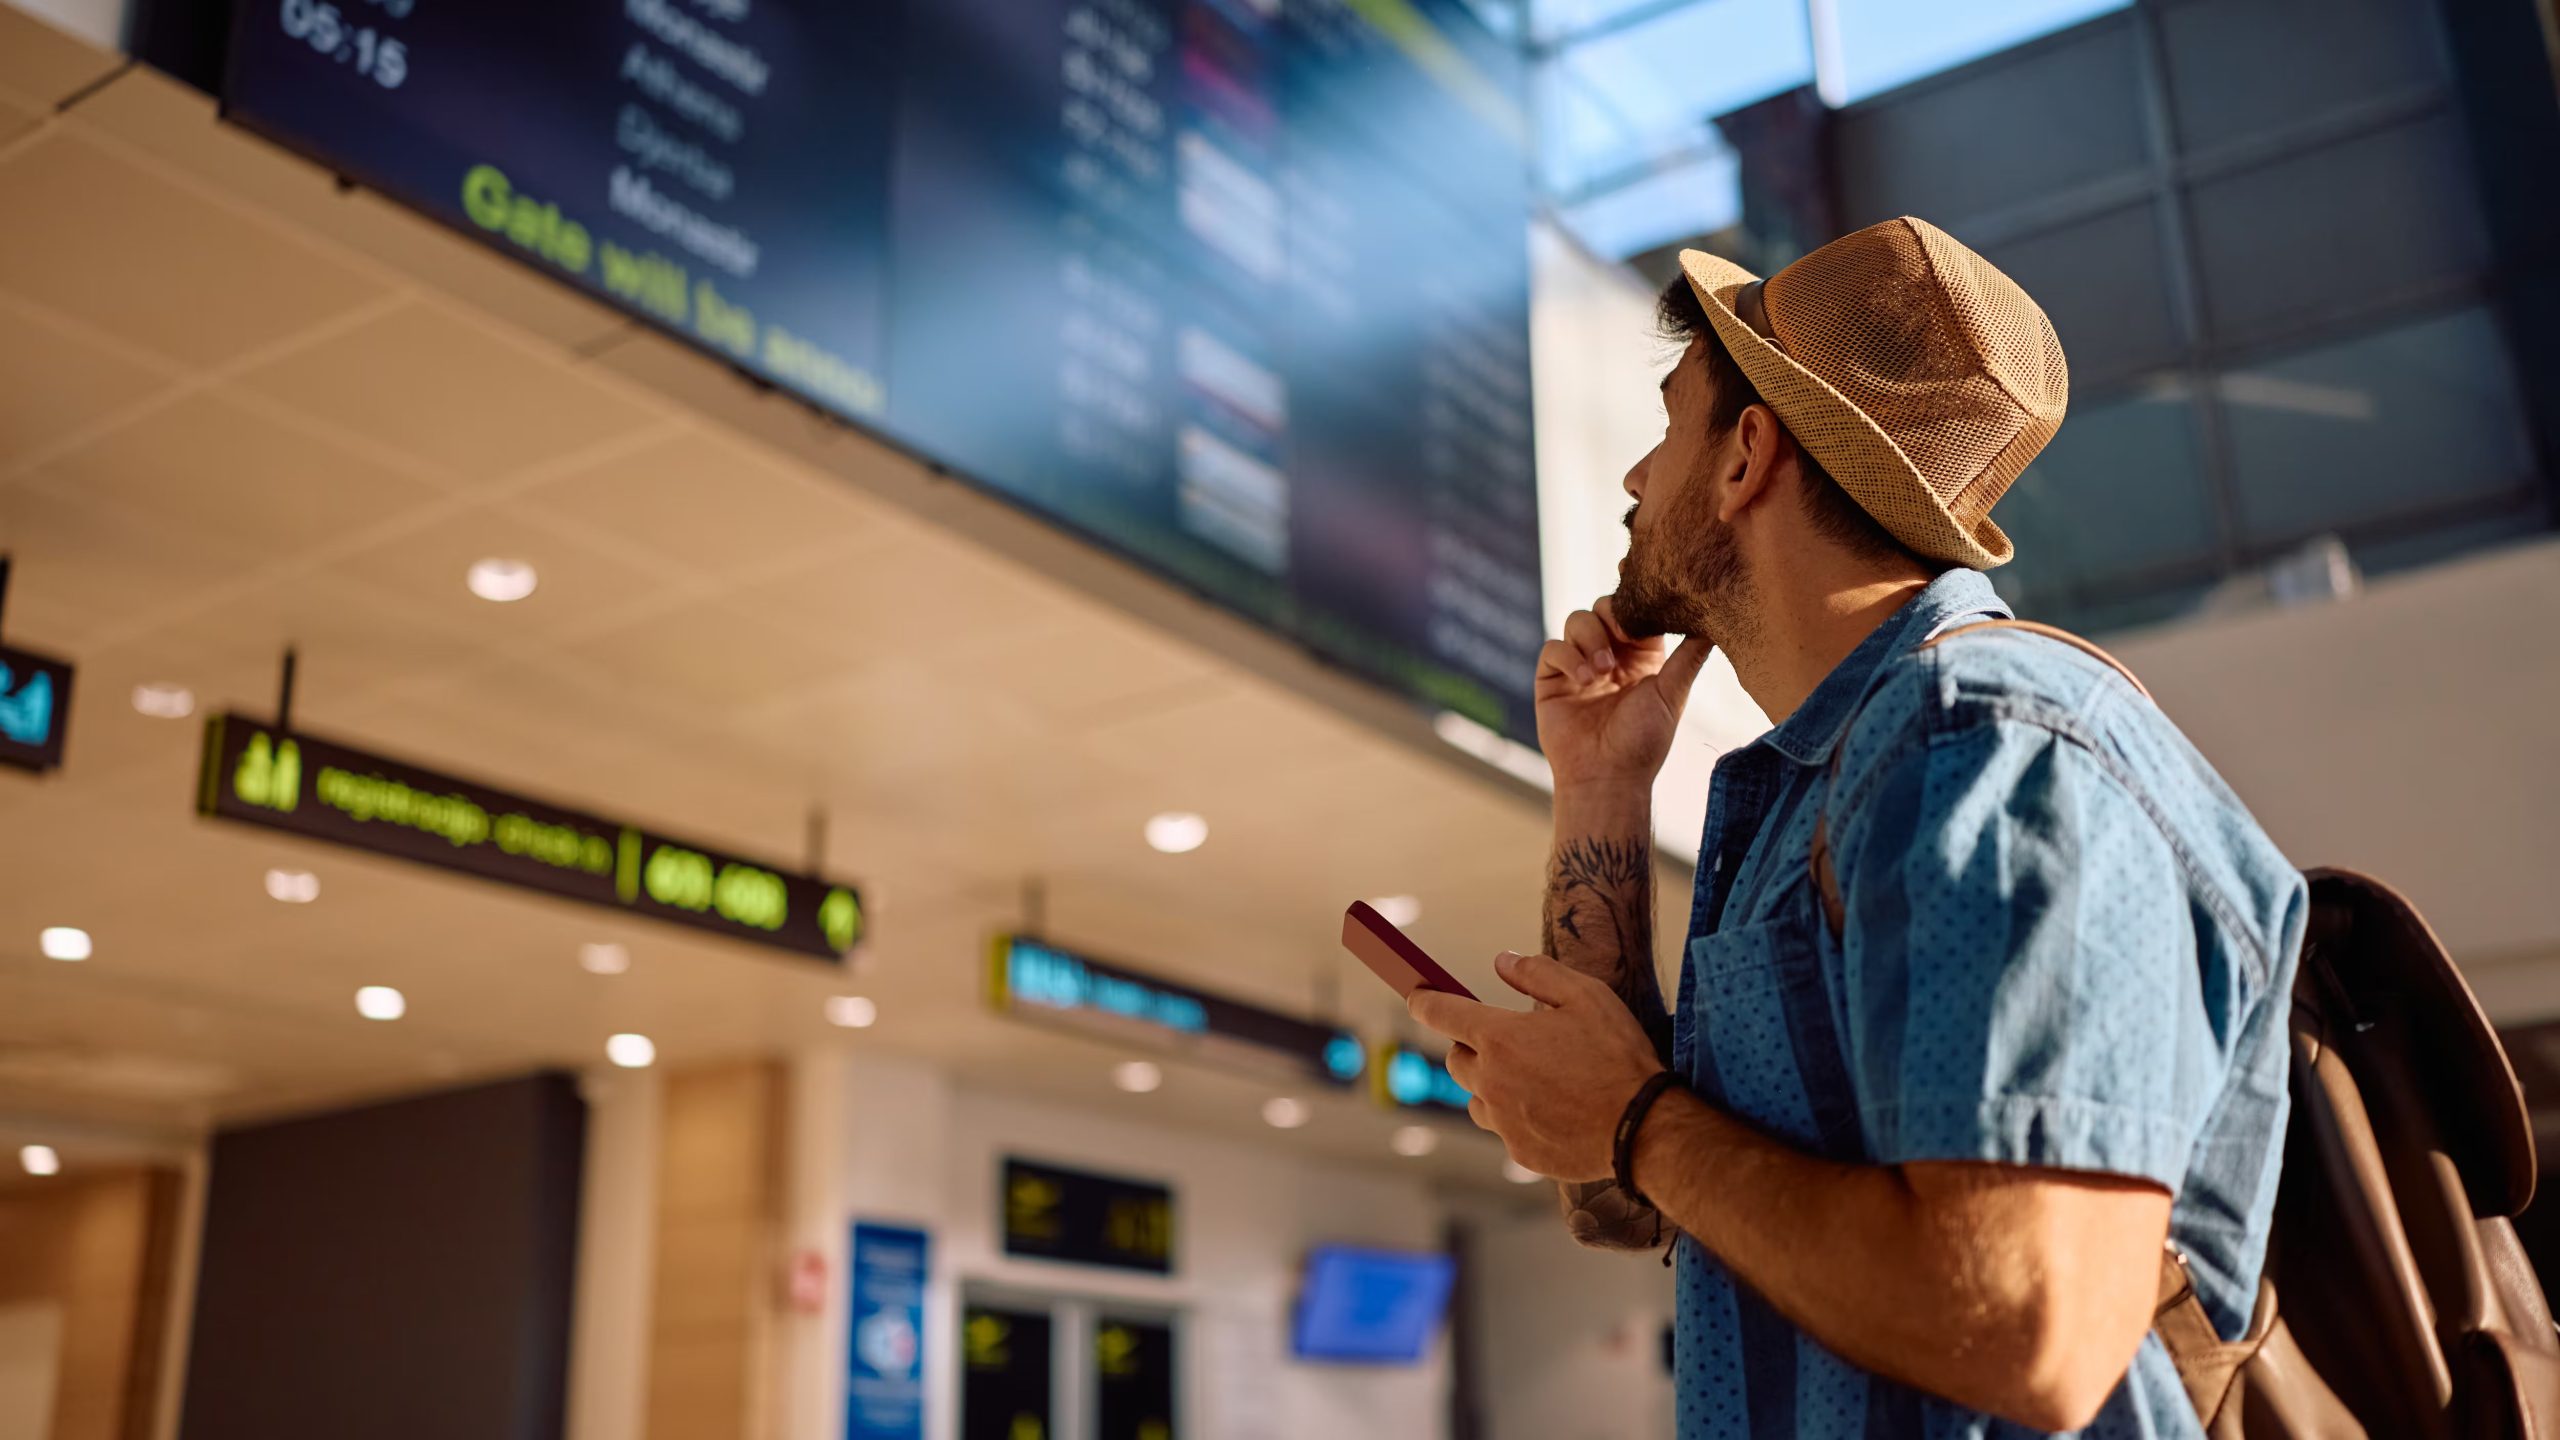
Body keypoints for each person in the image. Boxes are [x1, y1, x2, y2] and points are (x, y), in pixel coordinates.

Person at [1407, 217, 2306, 1438]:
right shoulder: (1819, 782)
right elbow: (1620, 1202)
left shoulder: (1992, 745)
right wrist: (1602, 793)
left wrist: (1638, 1123)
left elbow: (2027, 1328)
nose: (1631, 478)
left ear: (1745, 457)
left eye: (1668, 422)